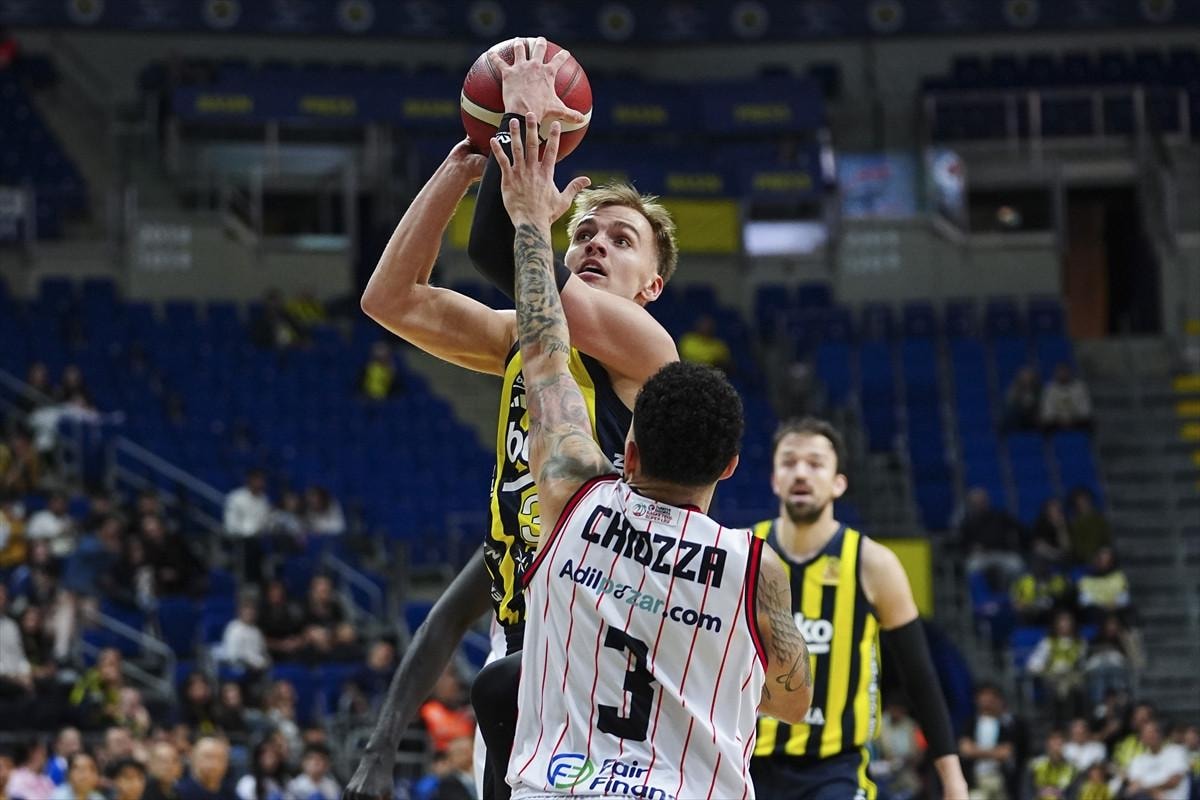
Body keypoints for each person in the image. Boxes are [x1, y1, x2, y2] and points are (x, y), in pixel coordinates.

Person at [345, 37, 678, 800]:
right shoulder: (518, 341)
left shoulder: (649, 352)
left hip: (605, 656)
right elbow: (389, 298)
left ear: (652, 285)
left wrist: (522, 136)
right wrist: (463, 166)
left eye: (620, 240)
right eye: (583, 232)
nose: (594, 244)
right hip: (521, 648)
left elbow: (504, 255)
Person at [482, 113, 813, 798]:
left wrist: (530, 218)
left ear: (626, 452)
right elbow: (790, 701)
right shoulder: (755, 567)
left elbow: (544, 354)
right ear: (729, 465)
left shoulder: (574, 504)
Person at [749, 417, 969, 799]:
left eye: (815, 463)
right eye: (789, 462)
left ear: (839, 483)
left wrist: (953, 778)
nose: (800, 473)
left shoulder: (873, 564)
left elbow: (919, 676)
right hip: (749, 761)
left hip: (837, 768)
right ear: (774, 479)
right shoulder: (745, 551)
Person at [959, 683, 1027, 800]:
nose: (987, 702)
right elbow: (965, 750)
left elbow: (1005, 753)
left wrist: (976, 751)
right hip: (976, 779)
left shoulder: (1007, 724)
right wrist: (994, 753)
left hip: (1000, 780)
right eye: (984, 698)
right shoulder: (970, 723)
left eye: (991, 699)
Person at [1125, 719, 1189, 800]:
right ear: (1142, 739)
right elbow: (1134, 787)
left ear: (1161, 734)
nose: (1152, 736)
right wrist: (1152, 792)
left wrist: (1149, 789)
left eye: (1155, 732)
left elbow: (1174, 782)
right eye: (1147, 734)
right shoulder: (1137, 760)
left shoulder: (1177, 751)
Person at [1023, 730, 1075, 800]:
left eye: (1059, 743)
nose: (1056, 747)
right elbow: (1026, 792)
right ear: (1047, 744)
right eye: (1054, 742)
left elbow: (1074, 793)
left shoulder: (1072, 768)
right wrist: (1040, 792)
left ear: (1065, 745)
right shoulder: (1035, 765)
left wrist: (1058, 793)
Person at [1040, 363, 1092, 431]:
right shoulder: (1050, 388)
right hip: (1056, 421)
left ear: (1070, 373)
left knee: (1090, 422)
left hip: (1076, 420)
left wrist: (1072, 419)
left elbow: (1085, 410)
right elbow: (1047, 411)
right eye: (1060, 372)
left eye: (1065, 372)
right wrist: (1060, 420)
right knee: (1044, 423)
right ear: (1056, 374)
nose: (1063, 375)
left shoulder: (1080, 387)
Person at [1003, 366, 1041, 432]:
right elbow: (1010, 404)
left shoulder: (1038, 391)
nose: (1026, 379)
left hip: (1033, 418)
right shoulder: (1014, 390)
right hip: (1019, 418)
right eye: (1024, 376)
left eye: (1028, 376)